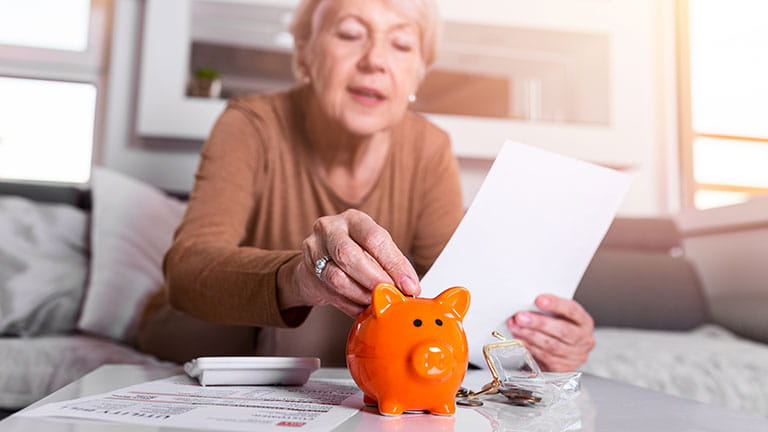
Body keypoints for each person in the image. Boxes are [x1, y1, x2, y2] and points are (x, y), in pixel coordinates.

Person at [138, 0, 595, 372]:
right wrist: (299, 278)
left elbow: (452, 297)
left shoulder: (429, 148)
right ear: (305, 55)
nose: (375, 60)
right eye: (351, 34)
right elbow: (187, 268)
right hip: (204, 324)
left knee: (349, 324)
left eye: (400, 45)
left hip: (322, 345)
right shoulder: (250, 125)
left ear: (417, 74)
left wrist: (538, 340)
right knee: (319, 322)